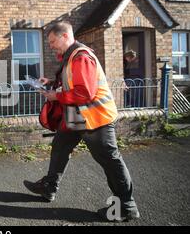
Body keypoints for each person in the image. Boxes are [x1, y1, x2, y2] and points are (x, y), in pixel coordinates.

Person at [23, 21, 140, 222]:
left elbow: (84, 93)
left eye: (52, 41)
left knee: (110, 161)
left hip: (96, 119)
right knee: (60, 146)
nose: (50, 46)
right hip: (78, 116)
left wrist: (55, 97)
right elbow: (73, 83)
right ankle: (49, 187)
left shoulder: (81, 57)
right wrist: (51, 83)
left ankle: (126, 207)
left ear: (65, 36)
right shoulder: (71, 57)